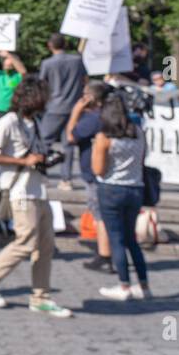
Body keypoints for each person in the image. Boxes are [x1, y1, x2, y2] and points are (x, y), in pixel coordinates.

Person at [0, 76, 72, 318]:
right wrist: (23, 161)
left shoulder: (34, 122)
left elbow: (32, 152)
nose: (47, 101)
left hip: (38, 189)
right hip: (19, 191)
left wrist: (45, 158)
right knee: (26, 242)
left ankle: (41, 296)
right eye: (43, 96)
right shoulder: (8, 122)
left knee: (46, 246)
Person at [91, 94, 151, 300]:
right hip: (135, 188)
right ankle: (143, 284)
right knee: (131, 239)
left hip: (111, 189)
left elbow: (98, 169)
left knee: (116, 238)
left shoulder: (104, 137)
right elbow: (143, 159)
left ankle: (124, 285)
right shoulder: (139, 133)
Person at [67, 81, 114, 272]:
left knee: (100, 216)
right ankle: (114, 253)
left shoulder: (94, 118)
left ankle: (105, 256)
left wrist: (76, 112)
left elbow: (71, 136)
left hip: (96, 172)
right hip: (114, 173)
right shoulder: (114, 114)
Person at [39, 33, 87, 190]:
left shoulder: (47, 63)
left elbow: (42, 84)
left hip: (54, 107)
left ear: (50, 46)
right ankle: (66, 179)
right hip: (74, 107)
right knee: (68, 144)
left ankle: (41, 174)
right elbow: (85, 80)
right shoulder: (77, 61)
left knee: (44, 141)